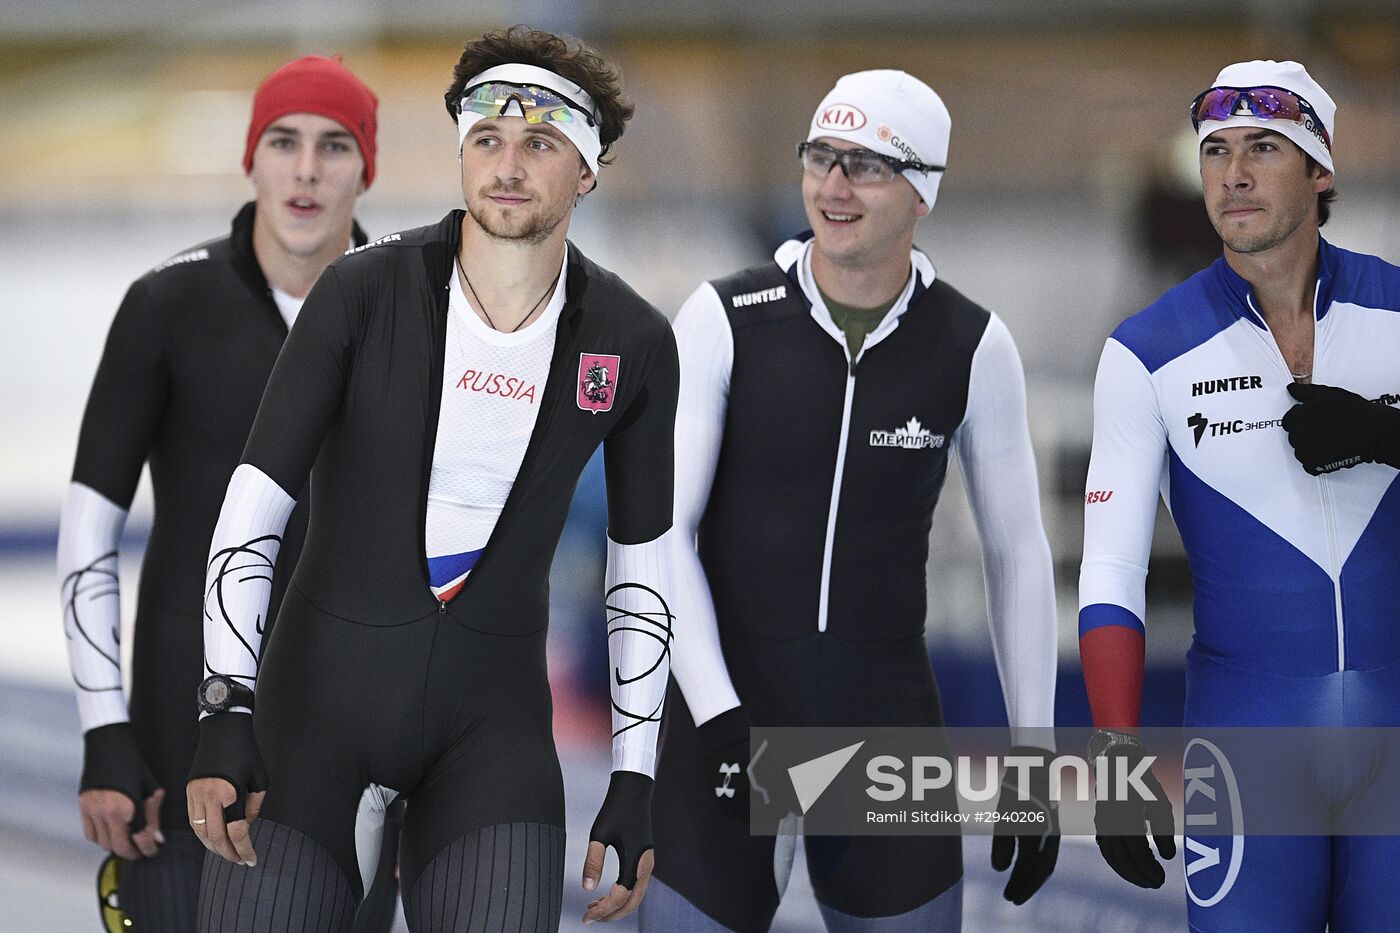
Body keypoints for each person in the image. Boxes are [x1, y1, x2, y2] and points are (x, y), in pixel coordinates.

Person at [185, 26, 693, 931]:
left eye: (540, 143)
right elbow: (255, 505)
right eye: (487, 139)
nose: (507, 164)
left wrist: (635, 772)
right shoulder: (360, 291)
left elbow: (642, 569)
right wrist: (227, 701)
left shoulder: (636, 340)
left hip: (488, 743)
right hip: (312, 722)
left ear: (586, 170)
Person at [643, 69, 1062, 932]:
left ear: (923, 193)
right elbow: (662, 531)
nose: (833, 187)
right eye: (821, 158)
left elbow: (1017, 553)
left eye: (865, 166)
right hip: (727, 719)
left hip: (882, 729)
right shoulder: (725, 319)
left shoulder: (973, 345)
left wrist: (1034, 756)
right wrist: (717, 709)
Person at [56, 54, 402, 932]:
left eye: (334, 146)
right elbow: (89, 529)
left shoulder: (416, 314)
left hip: (352, 727)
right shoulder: (166, 306)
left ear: (369, 167)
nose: (307, 170)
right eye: (284, 142)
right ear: (252, 158)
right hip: (183, 721)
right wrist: (106, 730)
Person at [1080, 59, 1400, 930]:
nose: (1234, 172)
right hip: (1247, 742)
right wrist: (1117, 758)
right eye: (1216, 149)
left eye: (1265, 146)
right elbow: (1111, 573)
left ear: (1321, 167)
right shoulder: (1146, 351)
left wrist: (1384, 434)